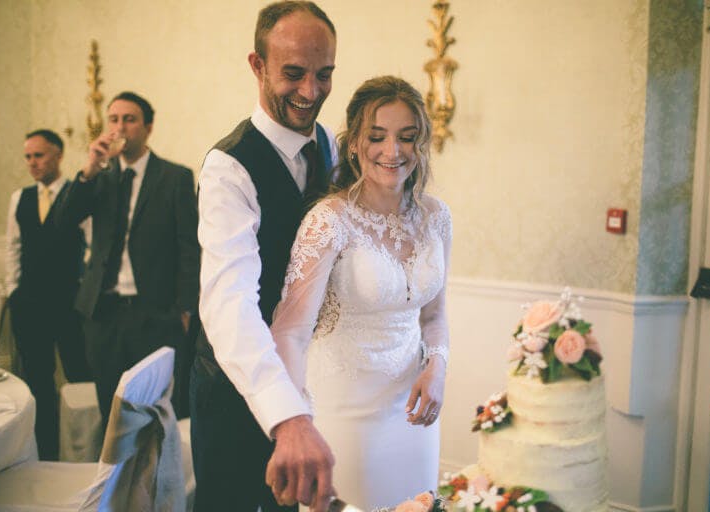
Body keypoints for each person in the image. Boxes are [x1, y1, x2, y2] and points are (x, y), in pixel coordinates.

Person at [270, 76, 451, 510]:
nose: (392, 152)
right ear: (353, 143)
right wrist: (295, 424)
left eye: (406, 138)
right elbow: (290, 332)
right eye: (377, 137)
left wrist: (438, 366)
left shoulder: (436, 216)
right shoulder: (329, 220)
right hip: (343, 411)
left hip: (413, 412)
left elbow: (434, 315)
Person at [190, 2, 338, 511]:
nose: (311, 92)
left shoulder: (328, 145)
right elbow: (228, 303)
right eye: (293, 74)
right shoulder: (227, 168)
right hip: (235, 393)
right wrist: (287, 415)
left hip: (311, 383)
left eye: (324, 75)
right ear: (257, 66)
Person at [55, 92, 199, 427]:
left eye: (129, 119)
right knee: (112, 412)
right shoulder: (98, 178)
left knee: (156, 412)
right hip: (102, 315)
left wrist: (186, 308)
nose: (120, 127)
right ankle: (115, 480)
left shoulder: (175, 177)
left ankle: (157, 480)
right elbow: (62, 224)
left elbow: (189, 246)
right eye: (114, 119)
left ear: (148, 127)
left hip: (155, 314)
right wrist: (90, 168)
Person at [5, 129, 92, 460]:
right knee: (38, 380)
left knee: (79, 375)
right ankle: (44, 452)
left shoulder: (77, 193)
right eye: (28, 156)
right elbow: (13, 247)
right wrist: (13, 291)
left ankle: (83, 451)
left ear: (58, 154)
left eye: (38, 155)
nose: (32, 163)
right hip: (29, 304)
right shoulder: (20, 198)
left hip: (69, 303)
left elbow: (91, 246)